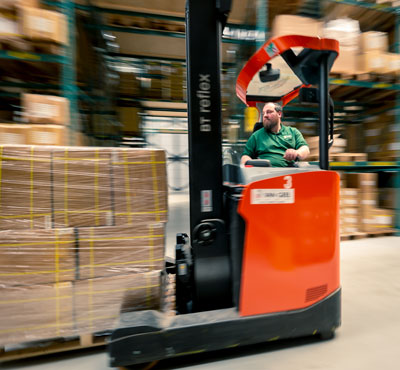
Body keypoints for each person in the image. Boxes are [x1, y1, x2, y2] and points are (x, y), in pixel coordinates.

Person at [241, 102, 310, 167]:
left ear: (279, 114)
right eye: (263, 113)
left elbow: (305, 149)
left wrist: (296, 152)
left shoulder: (293, 132)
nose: (265, 116)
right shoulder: (256, 136)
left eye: (269, 112)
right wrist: (249, 164)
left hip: (288, 173)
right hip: (264, 173)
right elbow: (245, 156)